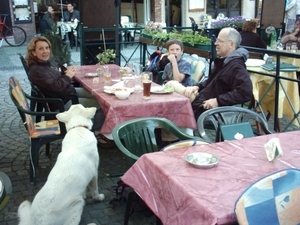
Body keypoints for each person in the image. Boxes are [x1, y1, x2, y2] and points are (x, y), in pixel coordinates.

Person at [25, 36, 112, 146]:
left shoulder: (47, 64)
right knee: (100, 104)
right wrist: (67, 76)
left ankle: (101, 129)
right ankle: (96, 133)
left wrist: (67, 72)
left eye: (47, 48)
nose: (45, 51)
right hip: (61, 103)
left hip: (67, 93)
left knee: (98, 95)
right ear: (33, 52)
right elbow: (56, 86)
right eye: (41, 49)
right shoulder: (36, 71)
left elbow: (59, 71)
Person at [183, 27, 253, 120]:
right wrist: (197, 87)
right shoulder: (225, 62)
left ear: (231, 44)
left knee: (172, 88)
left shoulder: (236, 66)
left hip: (210, 111)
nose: (216, 43)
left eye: (220, 41)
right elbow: (213, 81)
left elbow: (245, 92)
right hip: (200, 102)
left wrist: (218, 101)